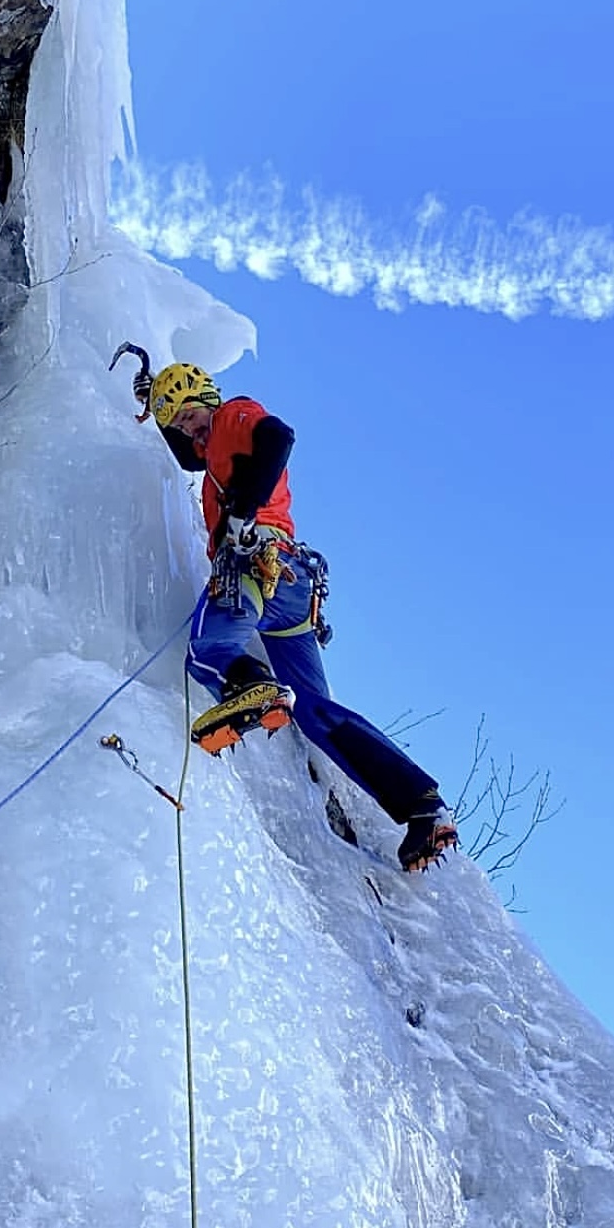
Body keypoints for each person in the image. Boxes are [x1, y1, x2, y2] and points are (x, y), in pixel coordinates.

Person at [135, 359, 459, 873]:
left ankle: (248, 687)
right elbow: (190, 460)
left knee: (208, 651)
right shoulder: (212, 451)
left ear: (209, 401)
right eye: (180, 425)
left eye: (191, 415)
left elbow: (279, 436)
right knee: (313, 713)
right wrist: (155, 405)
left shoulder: (233, 417)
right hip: (290, 592)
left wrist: (242, 507)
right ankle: (421, 807)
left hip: (256, 563)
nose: (190, 429)